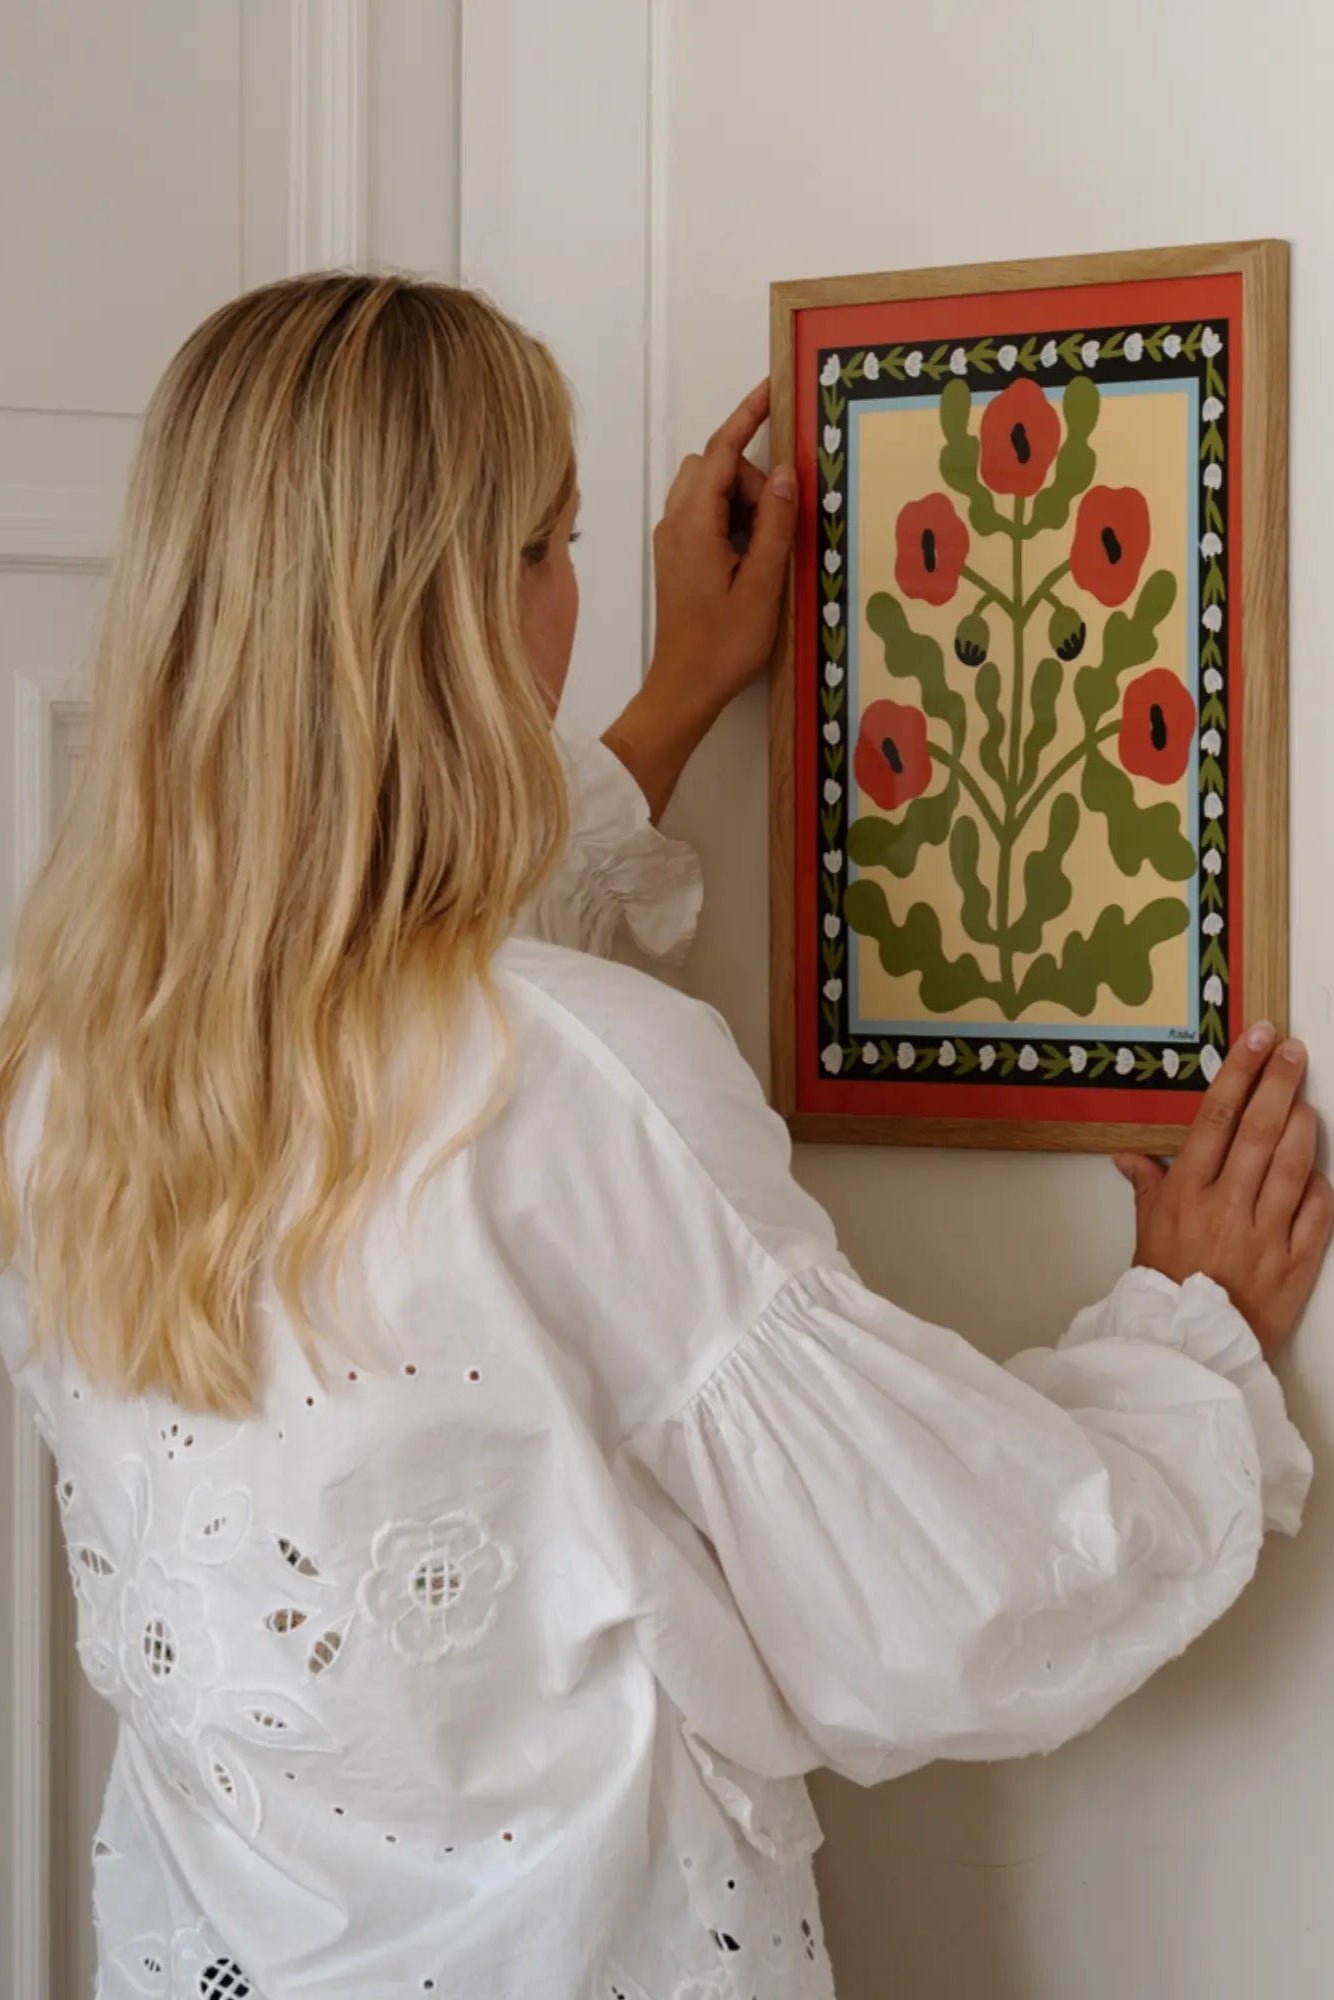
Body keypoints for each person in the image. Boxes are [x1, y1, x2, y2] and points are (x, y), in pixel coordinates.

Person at [0, 274, 1326, 2000]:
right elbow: (944, 1613)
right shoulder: (576, 1078)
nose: (572, 585)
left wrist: (679, 692)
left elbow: (414, 1009)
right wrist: (1186, 1336)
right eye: (548, 545)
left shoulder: (72, 1058)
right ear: (458, 615)